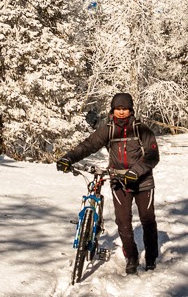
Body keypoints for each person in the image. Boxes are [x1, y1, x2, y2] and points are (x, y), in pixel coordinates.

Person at [57, 92, 160, 274]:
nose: (121, 112)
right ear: (113, 109)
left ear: (131, 110)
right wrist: (68, 158)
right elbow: (88, 145)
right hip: (119, 181)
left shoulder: (141, 129)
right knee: (122, 221)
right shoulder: (108, 129)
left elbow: (153, 155)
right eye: (118, 108)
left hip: (143, 181)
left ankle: (151, 257)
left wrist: (135, 172)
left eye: (125, 109)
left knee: (147, 220)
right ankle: (132, 257)